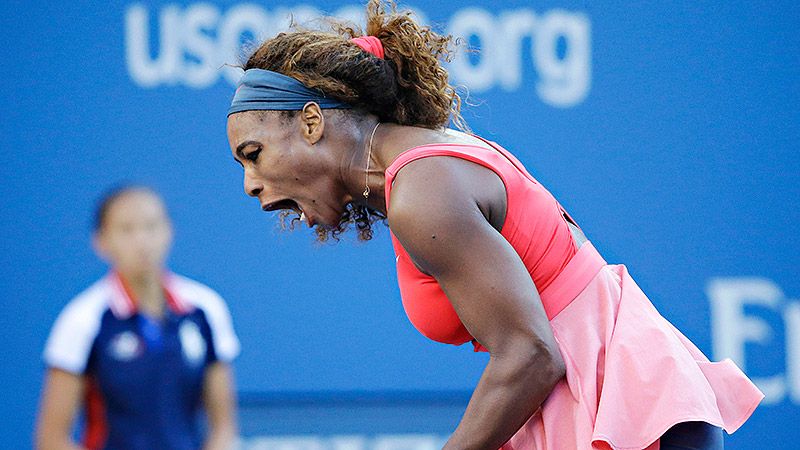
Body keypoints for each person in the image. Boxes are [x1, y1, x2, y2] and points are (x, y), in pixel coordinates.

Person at [224, 1, 763, 449]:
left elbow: (531, 355)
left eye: (254, 153)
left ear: (313, 122)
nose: (250, 185)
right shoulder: (416, 172)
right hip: (612, 403)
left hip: (625, 415)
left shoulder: (421, 191)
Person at [35, 186, 240, 450]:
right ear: (101, 241)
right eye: (126, 229)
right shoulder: (82, 320)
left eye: (152, 226)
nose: (142, 240)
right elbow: (51, 440)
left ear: (170, 232)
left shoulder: (206, 309)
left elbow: (224, 427)